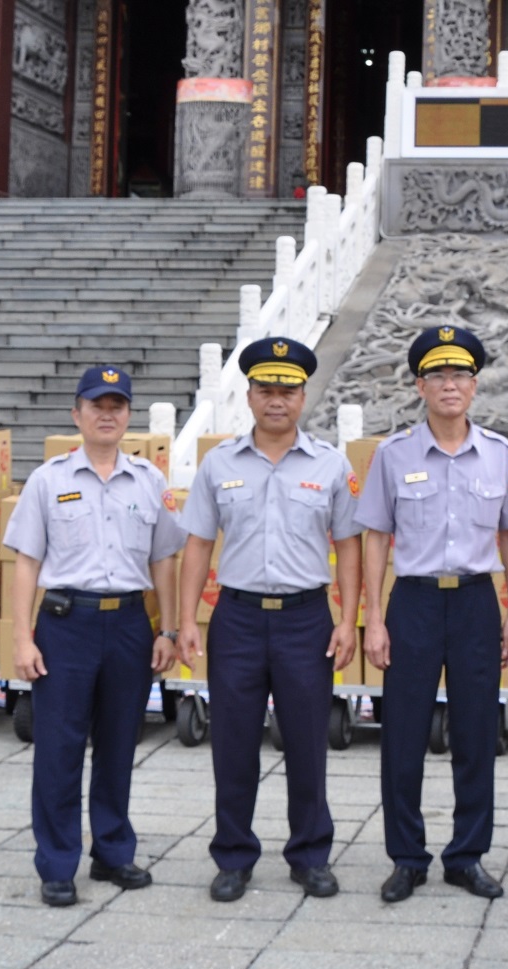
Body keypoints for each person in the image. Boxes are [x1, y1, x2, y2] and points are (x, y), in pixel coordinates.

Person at [176, 337, 362, 903]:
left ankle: (310, 856)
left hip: (307, 619)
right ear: (250, 397)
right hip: (236, 617)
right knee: (232, 742)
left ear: (303, 397)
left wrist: (347, 621)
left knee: (307, 740)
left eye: (287, 390)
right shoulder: (220, 463)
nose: (276, 401)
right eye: (265, 390)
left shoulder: (331, 464)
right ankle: (233, 856)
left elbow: (350, 547)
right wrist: (187, 619)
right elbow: (198, 545)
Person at [356, 325, 508, 903]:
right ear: (419, 386)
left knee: (478, 733)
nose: (449, 385)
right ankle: (407, 857)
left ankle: (467, 856)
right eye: (437, 376)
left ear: (474, 386)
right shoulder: (393, 454)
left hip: (478, 601)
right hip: (415, 602)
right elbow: (376, 536)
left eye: (459, 375)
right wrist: (374, 618)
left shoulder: (499, 454)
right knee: (402, 733)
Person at [5, 366, 185, 907]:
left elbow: (165, 561)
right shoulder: (49, 480)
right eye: (97, 405)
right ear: (76, 413)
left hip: (130, 625)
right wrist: (22, 637)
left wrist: (168, 629)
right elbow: (26, 564)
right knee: (58, 748)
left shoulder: (149, 481)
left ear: (127, 415)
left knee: (118, 744)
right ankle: (57, 863)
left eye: (117, 405)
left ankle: (112, 851)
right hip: (66, 624)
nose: (107, 415)